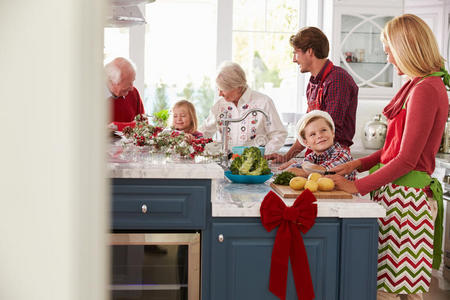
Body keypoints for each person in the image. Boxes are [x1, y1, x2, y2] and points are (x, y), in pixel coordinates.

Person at [328, 14, 449, 300]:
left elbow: (407, 160)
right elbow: (394, 149)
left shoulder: (425, 90)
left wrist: (356, 186)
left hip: (406, 202)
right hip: (397, 195)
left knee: (389, 292)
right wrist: (356, 164)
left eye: (390, 52)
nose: (390, 60)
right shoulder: (420, 86)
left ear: (406, 48)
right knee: (394, 289)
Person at [266, 27, 358, 166]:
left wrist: (301, 165)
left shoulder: (337, 80)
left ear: (309, 51)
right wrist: (286, 158)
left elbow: (330, 132)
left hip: (335, 159)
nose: (294, 60)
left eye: (296, 53)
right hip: (317, 157)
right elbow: (307, 128)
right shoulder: (313, 83)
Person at [199, 61, 287, 155]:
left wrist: (263, 154)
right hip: (227, 161)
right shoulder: (220, 105)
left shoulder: (264, 102)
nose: (220, 94)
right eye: (218, 89)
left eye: (223, 89)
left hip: (255, 165)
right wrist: (192, 137)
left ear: (238, 87)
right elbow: (205, 132)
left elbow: (279, 134)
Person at [285, 110, 356, 180]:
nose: (319, 136)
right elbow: (289, 171)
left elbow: (322, 172)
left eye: (323, 130)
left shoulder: (343, 154)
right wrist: (309, 170)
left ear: (332, 133)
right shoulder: (312, 157)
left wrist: (305, 164)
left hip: (343, 192)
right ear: (306, 143)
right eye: (313, 134)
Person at [105, 57, 145, 130]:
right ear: (111, 81)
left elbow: (143, 125)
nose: (131, 88)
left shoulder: (133, 93)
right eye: (128, 83)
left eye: (132, 81)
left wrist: (117, 126)